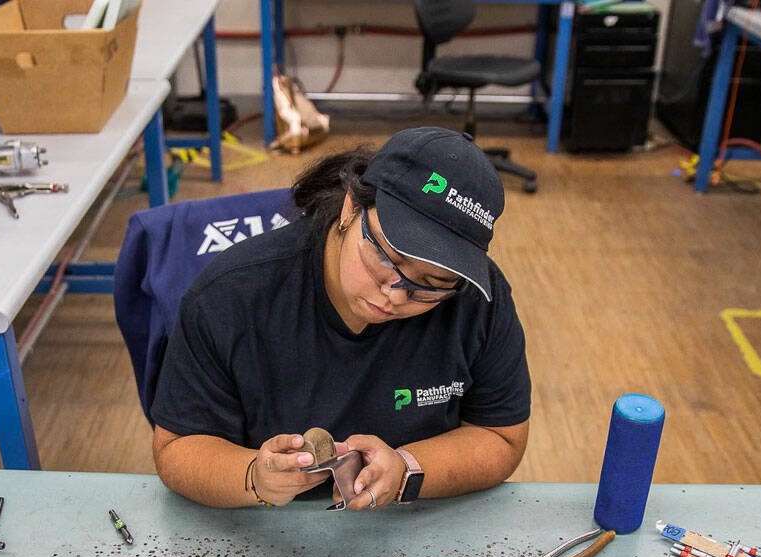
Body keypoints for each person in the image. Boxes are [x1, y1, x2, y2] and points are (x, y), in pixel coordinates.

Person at [150, 127, 530, 510]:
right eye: (388, 259)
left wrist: (407, 469)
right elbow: (177, 448)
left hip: (406, 520)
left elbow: (500, 436)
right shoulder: (230, 296)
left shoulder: (477, 300)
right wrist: (253, 475)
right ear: (351, 208)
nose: (396, 293)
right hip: (260, 523)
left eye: (431, 285)